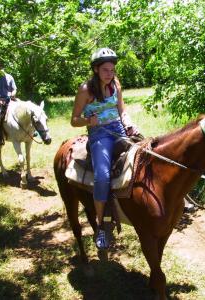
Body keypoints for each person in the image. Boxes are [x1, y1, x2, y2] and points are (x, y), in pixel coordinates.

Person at [71, 48, 138, 249]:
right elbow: (74, 120)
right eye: (106, 70)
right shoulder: (86, 90)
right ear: (96, 70)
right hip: (99, 133)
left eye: (112, 69)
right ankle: (101, 226)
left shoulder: (116, 84)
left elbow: (121, 110)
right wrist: (87, 121)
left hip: (118, 128)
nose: (110, 73)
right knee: (102, 175)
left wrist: (129, 122)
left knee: (147, 152)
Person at [0, 60, 17, 146]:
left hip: (10, 100)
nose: (0, 68)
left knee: (25, 108)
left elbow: (14, 89)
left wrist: (12, 95)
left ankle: (32, 132)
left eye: (1, 66)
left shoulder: (9, 77)